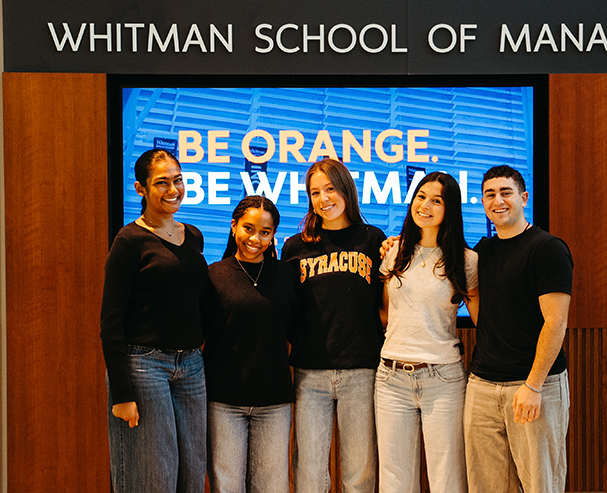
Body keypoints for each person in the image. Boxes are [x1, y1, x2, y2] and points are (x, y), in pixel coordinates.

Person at [99, 148, 208, 493]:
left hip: (191, 365)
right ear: (140, 189)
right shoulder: (129, 241)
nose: (173, 189)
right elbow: (111, 321)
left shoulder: (192, 236)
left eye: (178, 180)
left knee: (192, 474)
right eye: (162, 182)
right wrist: (121, 394)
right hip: (144, 366)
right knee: (152, 478)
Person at [464, 165, 573, 493]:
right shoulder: (484, 252)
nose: (497, 200)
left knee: (541, 485)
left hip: (532, 386)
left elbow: (556, 322)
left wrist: (533, 386)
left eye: (505, 192)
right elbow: (484, 315)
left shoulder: (548, 248)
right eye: (489, 195)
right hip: (482, 386)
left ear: (524, 198)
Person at [281, 158, 386, 493]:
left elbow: (385, 306)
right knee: (310, 472)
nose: (323, 198)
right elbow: (287, 308)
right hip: (311, 372)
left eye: (330, 189)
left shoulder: (372, 239)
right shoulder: (295, 246)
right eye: (315, 192)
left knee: (359, 472)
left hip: (361, 368)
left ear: (346, 190)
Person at [377, 171, 478, 493]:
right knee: (394, 479)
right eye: (421, 196)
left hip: (443, 380)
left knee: (447, 477)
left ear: (451, 208)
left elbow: (483, 322)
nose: (426, 205)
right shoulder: (394, 252)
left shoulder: (467, 260)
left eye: (437, 200)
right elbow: (385, 314)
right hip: (390, 378)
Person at [202, 195, 300, 492]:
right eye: (248, 228)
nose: (255, 238)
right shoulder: (213, 275)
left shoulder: (287, 274)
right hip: (223, 401)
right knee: (227, 485)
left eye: (265, 232)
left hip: (274, 401)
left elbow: (297, 330)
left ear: (273, 236)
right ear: (234, 227)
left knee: (272, 486)